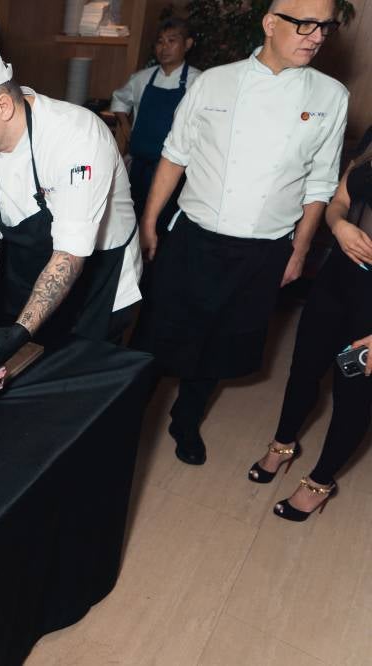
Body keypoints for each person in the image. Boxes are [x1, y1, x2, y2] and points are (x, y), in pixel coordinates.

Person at [133, 0, 348, 466]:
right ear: (271, 24)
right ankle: (125, 419)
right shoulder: (215, 82)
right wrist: (150, 222)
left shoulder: (331, 96)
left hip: (264, 250)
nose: (316, 36)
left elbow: (321, 183)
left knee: (217, 345)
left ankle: (185, 420)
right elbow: (175, 155)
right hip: (194, 240)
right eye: (305, 24)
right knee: (154, 339)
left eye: (325, 28)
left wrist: (301, 249)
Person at [0, 45, 142, 372]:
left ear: (2, 106)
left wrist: (21, 330)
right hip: (30, 266)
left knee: (82, 389)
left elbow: (69, 254)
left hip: (99, 277)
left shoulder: (76, 138)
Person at [248, 127, 372, 521]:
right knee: (304, 368)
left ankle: (320, 483)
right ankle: (283, 444)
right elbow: (341, 200)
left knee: (353, 394)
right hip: (336, 282)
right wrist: (339, 225)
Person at [111, 17, 200, 229]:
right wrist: (126, 129)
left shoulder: (198, 81)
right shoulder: (142, 78)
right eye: (160, 42)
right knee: (129, 223)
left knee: (163, 228)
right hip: (139, 168)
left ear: (187, 44)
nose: (164, 47)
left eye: (172, 40)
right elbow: (119, 100)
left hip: (176, 173)